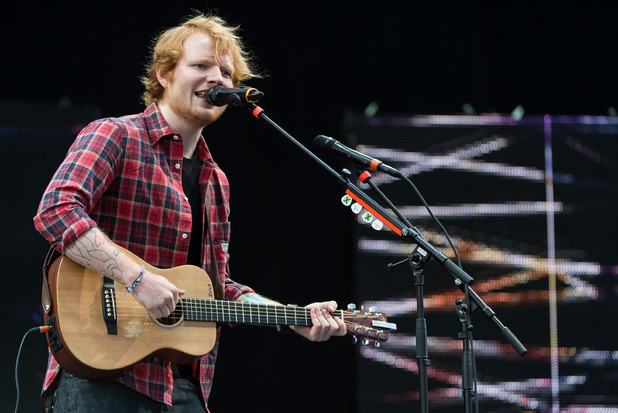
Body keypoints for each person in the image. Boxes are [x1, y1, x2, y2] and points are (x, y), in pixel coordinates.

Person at [34, 13, 346, 412]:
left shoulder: (216, 181)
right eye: (201, 66)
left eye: (225, 72)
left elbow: (218, 290)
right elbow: (56, 210)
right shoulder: (116, 134)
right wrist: (137, 278)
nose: (216, 78)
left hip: (184, 388)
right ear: (164, 74)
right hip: (103, 376)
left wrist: (292, 316)